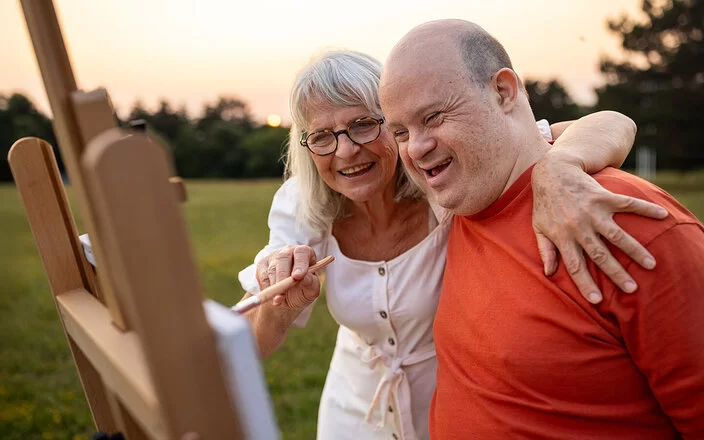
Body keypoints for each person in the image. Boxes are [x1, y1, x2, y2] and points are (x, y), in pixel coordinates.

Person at [236, 51, 667, 440]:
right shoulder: (303, 205)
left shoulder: (444, 177)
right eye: (323, 136)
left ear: (394, 120)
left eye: (364, 124)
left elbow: (612, 122)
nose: (346, 151)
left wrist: (560, 165)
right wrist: (283, 304)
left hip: (450, 410)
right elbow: (251, 346)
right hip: (351, 416)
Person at [379, 19, 704, 439]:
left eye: (434, 117)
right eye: (401, 132)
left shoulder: (624, 219)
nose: (416, 148)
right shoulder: (458, 202)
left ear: (503, 92)